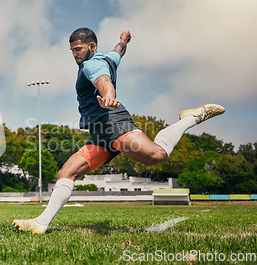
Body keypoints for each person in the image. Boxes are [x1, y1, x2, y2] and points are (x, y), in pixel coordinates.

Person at [12, 28, 225, 234]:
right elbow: (119, 51)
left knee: (157, 154)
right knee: (67, 172)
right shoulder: (109, 57)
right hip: (99, 135)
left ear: (92, 46)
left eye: (78, 49)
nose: (75, 54)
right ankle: (40, 223)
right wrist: (123, 40)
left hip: (114, 124)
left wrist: (109, 97)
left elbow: (103, 81)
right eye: (72, 51)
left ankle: (190, 118)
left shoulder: (91, 65)